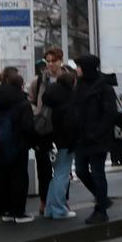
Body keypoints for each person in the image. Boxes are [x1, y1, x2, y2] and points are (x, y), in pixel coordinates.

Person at [69, 54, 122, 224]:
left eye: (79, 66)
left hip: (98, 139)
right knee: (80, 170)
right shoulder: (79, 85)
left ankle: (101, 210)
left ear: (86, 67)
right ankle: (102, 198)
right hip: (82, 137)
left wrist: (97, 132)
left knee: (97, 172)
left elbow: (109, 113)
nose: (77, 69)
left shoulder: (104, 87)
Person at [0, 68, 36, 223]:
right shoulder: (22, 102)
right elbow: (27, 127)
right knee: (19, 178)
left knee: (1, 177)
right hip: (18, 145)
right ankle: (18, 212)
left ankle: (3, 209)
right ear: (21, 85)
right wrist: (32, 142)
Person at [28, 47, 64, 213]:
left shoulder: (68, 79)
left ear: (60, 61)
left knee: (62, 168)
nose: (50, 65)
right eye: (48, 61)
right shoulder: (40, 81)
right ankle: (44, 200)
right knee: (43, 166)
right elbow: (31, 100)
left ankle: (62, 200)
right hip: (43, 127)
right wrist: (37, 112)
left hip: (62, 126)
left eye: (53, 61)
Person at [41, 63, 78, 221]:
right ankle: (58, 209)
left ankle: (50, 208)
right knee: (62, 175)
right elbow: (71, 124)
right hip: (65, 142)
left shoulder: (50, 95)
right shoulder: (67, 98)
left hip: (51, 139)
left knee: (56, 175)